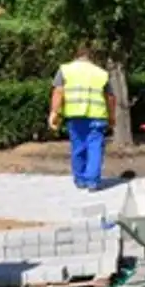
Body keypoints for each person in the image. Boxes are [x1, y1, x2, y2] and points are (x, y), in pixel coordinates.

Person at [48, 44, 116, 192]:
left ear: (76, 56)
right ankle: (92, 182)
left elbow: (58, 92)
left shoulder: (65, 70)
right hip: (97, 116)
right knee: (95, 147)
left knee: (78, 148)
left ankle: (80, 180)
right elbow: (110, 97)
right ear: (91, 58)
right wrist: (112, 117)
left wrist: (54, 112)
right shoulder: (101, 73)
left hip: (75, 116)